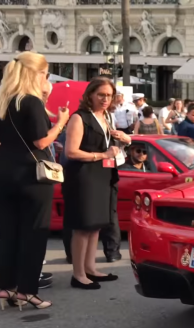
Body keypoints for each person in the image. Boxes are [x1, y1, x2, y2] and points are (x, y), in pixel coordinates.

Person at [0, 51, 68, 309]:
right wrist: (61, 122)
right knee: (34, 232)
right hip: (32, 175)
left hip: (2, 172)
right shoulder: (30, 102)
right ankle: (28, 291)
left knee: (8, 231)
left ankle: (6, 287)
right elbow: (42, 141)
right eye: (44, 73)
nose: (46, 77)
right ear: (34, 74)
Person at [63, 77, 131, 290]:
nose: (105, 99)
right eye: (100, 94)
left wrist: (124, 139)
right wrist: (102, 154)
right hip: (84, 176)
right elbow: (71, 152)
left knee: (95, 226)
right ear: (90, 95)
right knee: (83, 226)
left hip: (103, 175)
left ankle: (90, 268)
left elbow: (110, 145)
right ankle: (78, 274)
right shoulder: (79, 117)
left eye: (109, 95)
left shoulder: (108, 116)